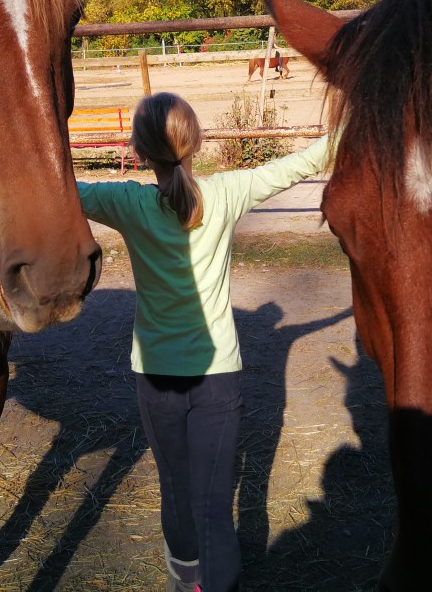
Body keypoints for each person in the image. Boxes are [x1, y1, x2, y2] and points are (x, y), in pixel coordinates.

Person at [76, 92, 332, 592]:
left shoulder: (126, 203)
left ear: (139, 151)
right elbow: (301, 164)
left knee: (175, 492)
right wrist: (356, 122)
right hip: (218, 379)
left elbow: (61, 188)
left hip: (155, 376)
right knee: (214, 506)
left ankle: (184, 583)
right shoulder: (227, 193)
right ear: (197, 142)